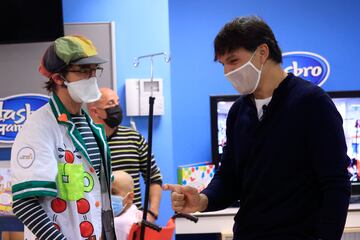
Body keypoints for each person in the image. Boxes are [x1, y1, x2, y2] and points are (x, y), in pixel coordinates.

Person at [164, 16, 351, 240]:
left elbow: (336, 183)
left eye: (233, 60)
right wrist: (202, 200)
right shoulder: (238, 112)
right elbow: (229, 177)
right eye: (223, 64)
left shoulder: (311, 103)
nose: (227, 72)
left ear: (262, 53)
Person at [11, 35, 116, 240]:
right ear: (58, 78)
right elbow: (25, 205)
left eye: (94, 70)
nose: (92, 77)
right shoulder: (38, 128)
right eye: (84, 71)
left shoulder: (91, 126)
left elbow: (98, 195)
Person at [87, 88, 163, 223]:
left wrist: (152, 213)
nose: (117, 107)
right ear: (95, 111)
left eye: (118, 102)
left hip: (133, 223)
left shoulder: (134, 138)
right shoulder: (84, 142)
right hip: (96, 224)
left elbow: (154, 177)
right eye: (111, 103)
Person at [111, 171, 143, 240]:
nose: (109, 197)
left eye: (113, 192)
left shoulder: (117, 224)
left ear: (130, 197)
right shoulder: (140, 214)